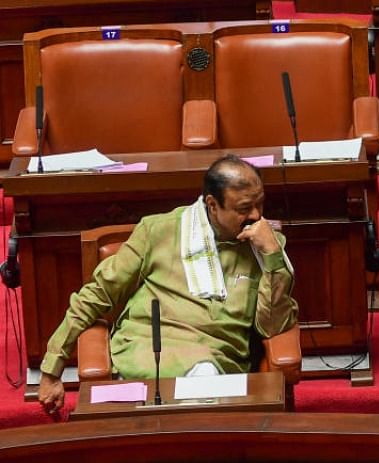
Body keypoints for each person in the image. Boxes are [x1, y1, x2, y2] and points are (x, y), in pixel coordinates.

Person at [37, 155, 297, 415]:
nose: (256, 215)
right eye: (244, 208)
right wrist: (52, 368)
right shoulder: (158, 231)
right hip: (151, 351)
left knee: (205, 376)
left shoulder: (267, 246)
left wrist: (273, 257)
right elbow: (97, 294)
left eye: (260, 204)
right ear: (212, 205)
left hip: (219, 359)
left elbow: (271, 326)